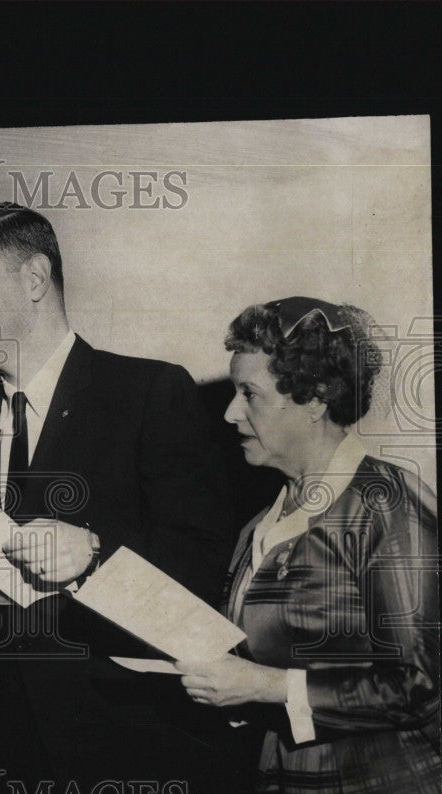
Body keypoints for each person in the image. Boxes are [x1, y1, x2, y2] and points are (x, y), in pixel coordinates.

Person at [0, 203, 239, 788]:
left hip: (140, 753)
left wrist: (93, 553)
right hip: (8, 759)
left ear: (34, 279)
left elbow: (205, 572)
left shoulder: (148, 392)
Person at [178, 297, 441, 793]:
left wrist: (263, 686)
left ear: (315, 399)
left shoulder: (385, 504)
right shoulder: (261, 522)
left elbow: (422, 686)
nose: (231, 413)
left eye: (249, 394)